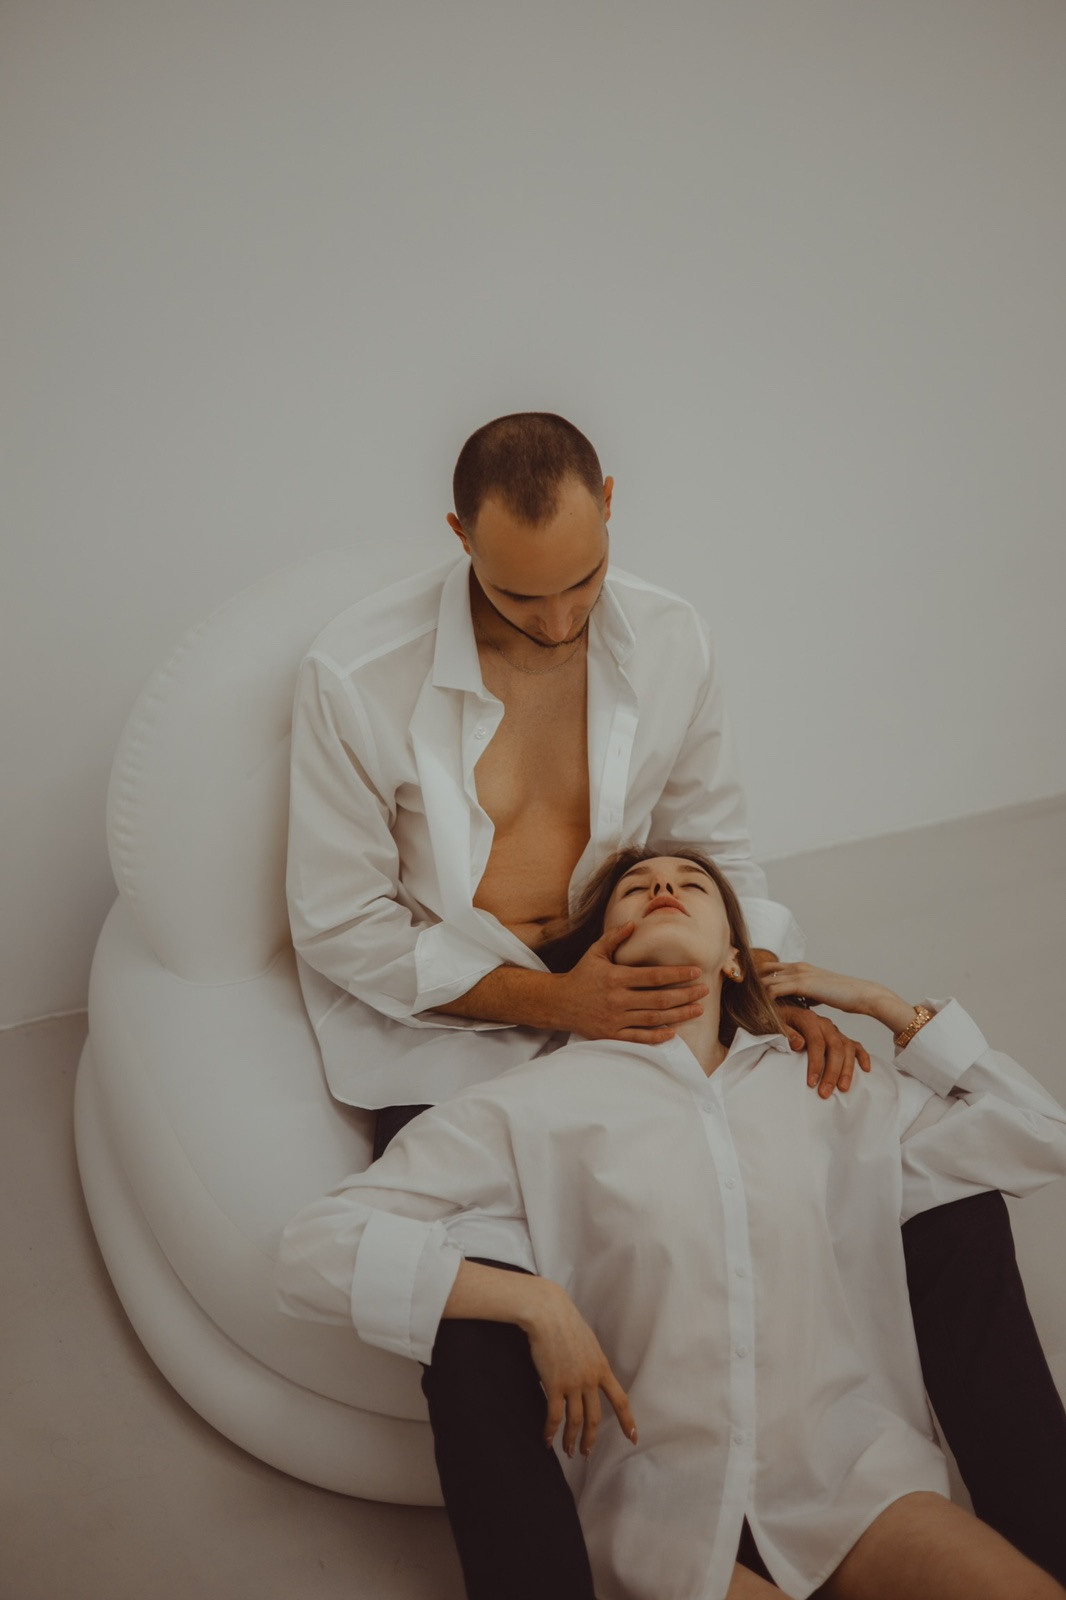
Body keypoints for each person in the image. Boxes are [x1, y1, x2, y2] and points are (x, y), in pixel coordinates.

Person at [285, 412, 1066, 1593]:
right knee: (474, 1342)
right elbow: (342, 923)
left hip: (647, 995)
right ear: (457, 536)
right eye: (519, 596)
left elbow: (719, 849)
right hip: (453, 1035)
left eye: (583, 582)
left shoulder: (668, 637)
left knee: (953, 1212)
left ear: (610, 501)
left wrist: (762, 993)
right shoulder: (355, 676)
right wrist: (562, 1004)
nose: (559, 621)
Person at [275, 846, 1066, 1600]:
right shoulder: (528, 1104)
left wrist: (883, 1005)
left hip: (852, 1484)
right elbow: (316, 1248)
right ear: (601, 953)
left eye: (692, 883)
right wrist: (534, 1303)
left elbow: (1039, 1135)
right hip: (660, 1517)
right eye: (636, 887)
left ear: (736, 957)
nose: (662, 887)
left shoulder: (830, 1089)